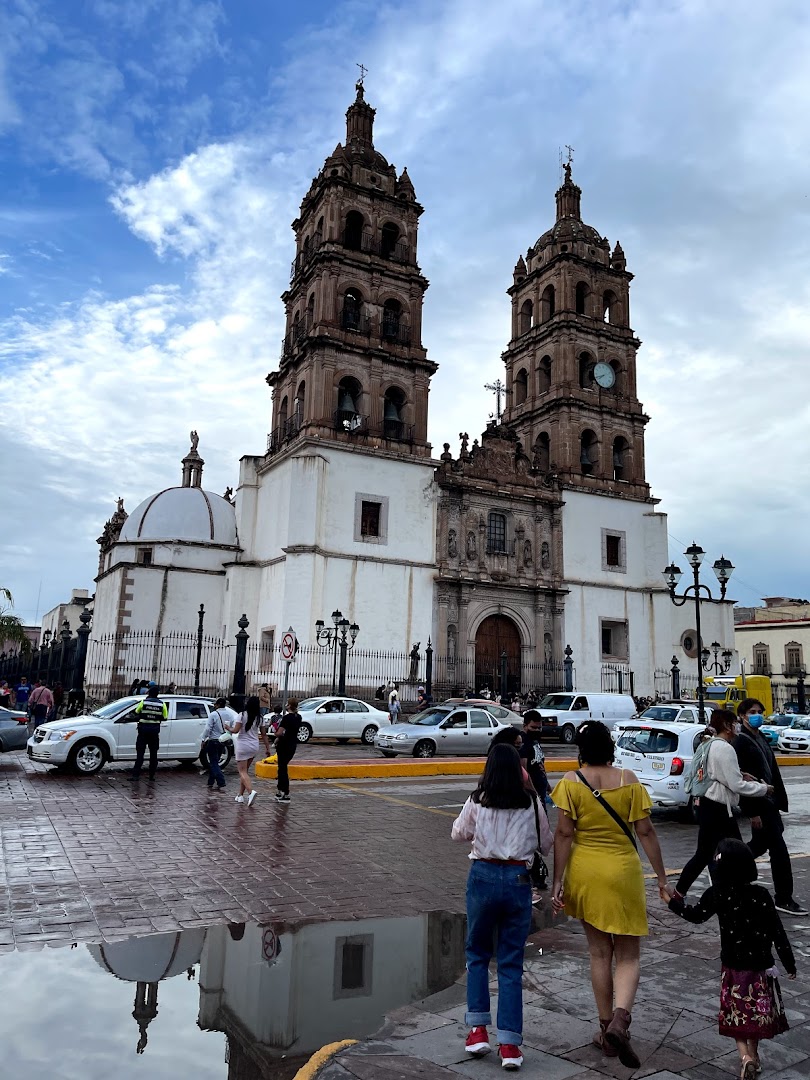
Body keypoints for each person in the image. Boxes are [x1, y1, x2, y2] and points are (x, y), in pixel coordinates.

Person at [551, 720, 668, 1068]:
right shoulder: (628, 780)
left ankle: (605, 1030)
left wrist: (557, 881)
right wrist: (662, 878)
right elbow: (645, 832)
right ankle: (622, 1019)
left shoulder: (570, 783)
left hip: (586, 873)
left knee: (599, 953)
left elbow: (563, 835)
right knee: (628, 956)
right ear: (610, 747)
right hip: (622, 872)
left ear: (581, 749)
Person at [451, 744, 552, 1070]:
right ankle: (509, 1046)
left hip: (483, 875)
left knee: (477, 954)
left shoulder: (478, 799)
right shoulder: (531, 802)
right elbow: (546, 844)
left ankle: (478, 1031)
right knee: (510, 962)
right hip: (518, 881)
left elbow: (458, 833)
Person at [664, 839, 796, 1079]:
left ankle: (744, 1056)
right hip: (760, 968)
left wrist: (673, 903)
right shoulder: (762, 894)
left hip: (734, 968)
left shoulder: (718, 893)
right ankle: (754, 1056)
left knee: (736, 1014)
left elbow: (696, 916)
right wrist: (789, 962)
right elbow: (778, 931)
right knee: (755, 1014)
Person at [673, 710, 770, 902]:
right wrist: (764, 788)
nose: (738, 727)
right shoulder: (725, 748)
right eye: (735, 722)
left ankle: (681, 892)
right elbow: (736, 786)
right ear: (727, 725)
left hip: (707, 806)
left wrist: (740, 774)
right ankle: (734, 894)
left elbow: (716, 773)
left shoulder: (709, 744)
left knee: (706, 854)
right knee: (737, 852)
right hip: (718, 808)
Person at [734, 698, 807, 916]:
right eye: (752, 712)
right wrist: (752, 812)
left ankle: (727, 868)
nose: (757, 715)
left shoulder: (761, 737)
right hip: (759, 802)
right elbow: (742, 779)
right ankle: (783, 898)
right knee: (779, 850)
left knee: (759, 845)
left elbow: (771, 769)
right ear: (742, 716)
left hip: (770, 801)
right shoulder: (741, 742)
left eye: (759, 711)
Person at [226, 695, 270, 806]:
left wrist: (228, 728)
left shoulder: (242, 715)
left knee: (242, 772)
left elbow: (235, 731)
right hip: (254, 746)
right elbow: (264, 735)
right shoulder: (260, 717)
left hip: (243, 745)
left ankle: (251, 792)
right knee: (245, 772)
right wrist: (267, 748)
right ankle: (240, 795)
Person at [128, 683, 168, 781]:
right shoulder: (162, 704)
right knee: (153, 754)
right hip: (154, 732)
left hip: (143, 731)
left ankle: (136, 775)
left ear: (149, 693)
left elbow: (137, 712)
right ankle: (151, 776)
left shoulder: (144, 702)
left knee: (140, 754)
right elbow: (165, 717)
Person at [274, 699, 302, 803]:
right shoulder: (298, 717)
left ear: (289, 706)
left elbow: (280, 732)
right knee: (283, 767)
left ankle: (284, 791)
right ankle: (280, 790)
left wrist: (275, 732)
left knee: (282, 769)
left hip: (284, 745)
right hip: (292, 745)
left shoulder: (286, 718)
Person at [200, 697, 229, 791]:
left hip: (213, 740)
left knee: (213, 762)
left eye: (215, 704)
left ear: (218, 705)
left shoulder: (213, 714)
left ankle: (221, 781)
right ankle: (210, 781)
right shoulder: (229, 714)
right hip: (223, 740)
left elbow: (208, 728)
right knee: (215, 762)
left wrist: (203, 739)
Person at [520, 711, 548, 804]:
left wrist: (547, 786)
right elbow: (524, 772)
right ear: (525, 726)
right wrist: (535, 795)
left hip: (541, 791)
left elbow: (540, 765)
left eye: (539, 728)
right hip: (531, 796)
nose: (536, 730)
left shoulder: (535, 741)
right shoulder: (523, 743)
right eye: (533, 727)